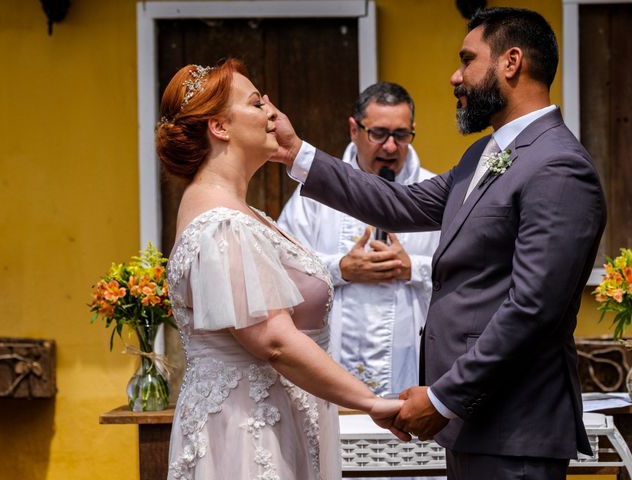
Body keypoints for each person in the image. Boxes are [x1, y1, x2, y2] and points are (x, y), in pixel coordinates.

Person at [268, 7, 606, 480]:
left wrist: (444, 397)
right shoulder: (483, 155)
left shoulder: (558, 166)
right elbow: (398, 205)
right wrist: (296, 153)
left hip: (514, 429)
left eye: (468, 59)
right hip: (474, 425)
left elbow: (533, 308)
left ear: (510, 62)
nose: (455, 76)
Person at [156, 60, 406, 480]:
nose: (274, 113)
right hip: (248, 436)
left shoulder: (247, 215)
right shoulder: (222, 224)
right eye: (257, 103)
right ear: (219, 127)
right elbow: (273, 339)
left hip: (277, 420)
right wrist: (371, 402)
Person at [277, 82, 440, 398]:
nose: (390, 147)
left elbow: (467, 271)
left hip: (410, 358)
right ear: (354, 129)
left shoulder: (434, 190)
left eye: (401, 135)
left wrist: (414, 269)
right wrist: (341, 268)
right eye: (378, 134)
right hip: (335, 357)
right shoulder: (315, 194)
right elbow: (282, 267)